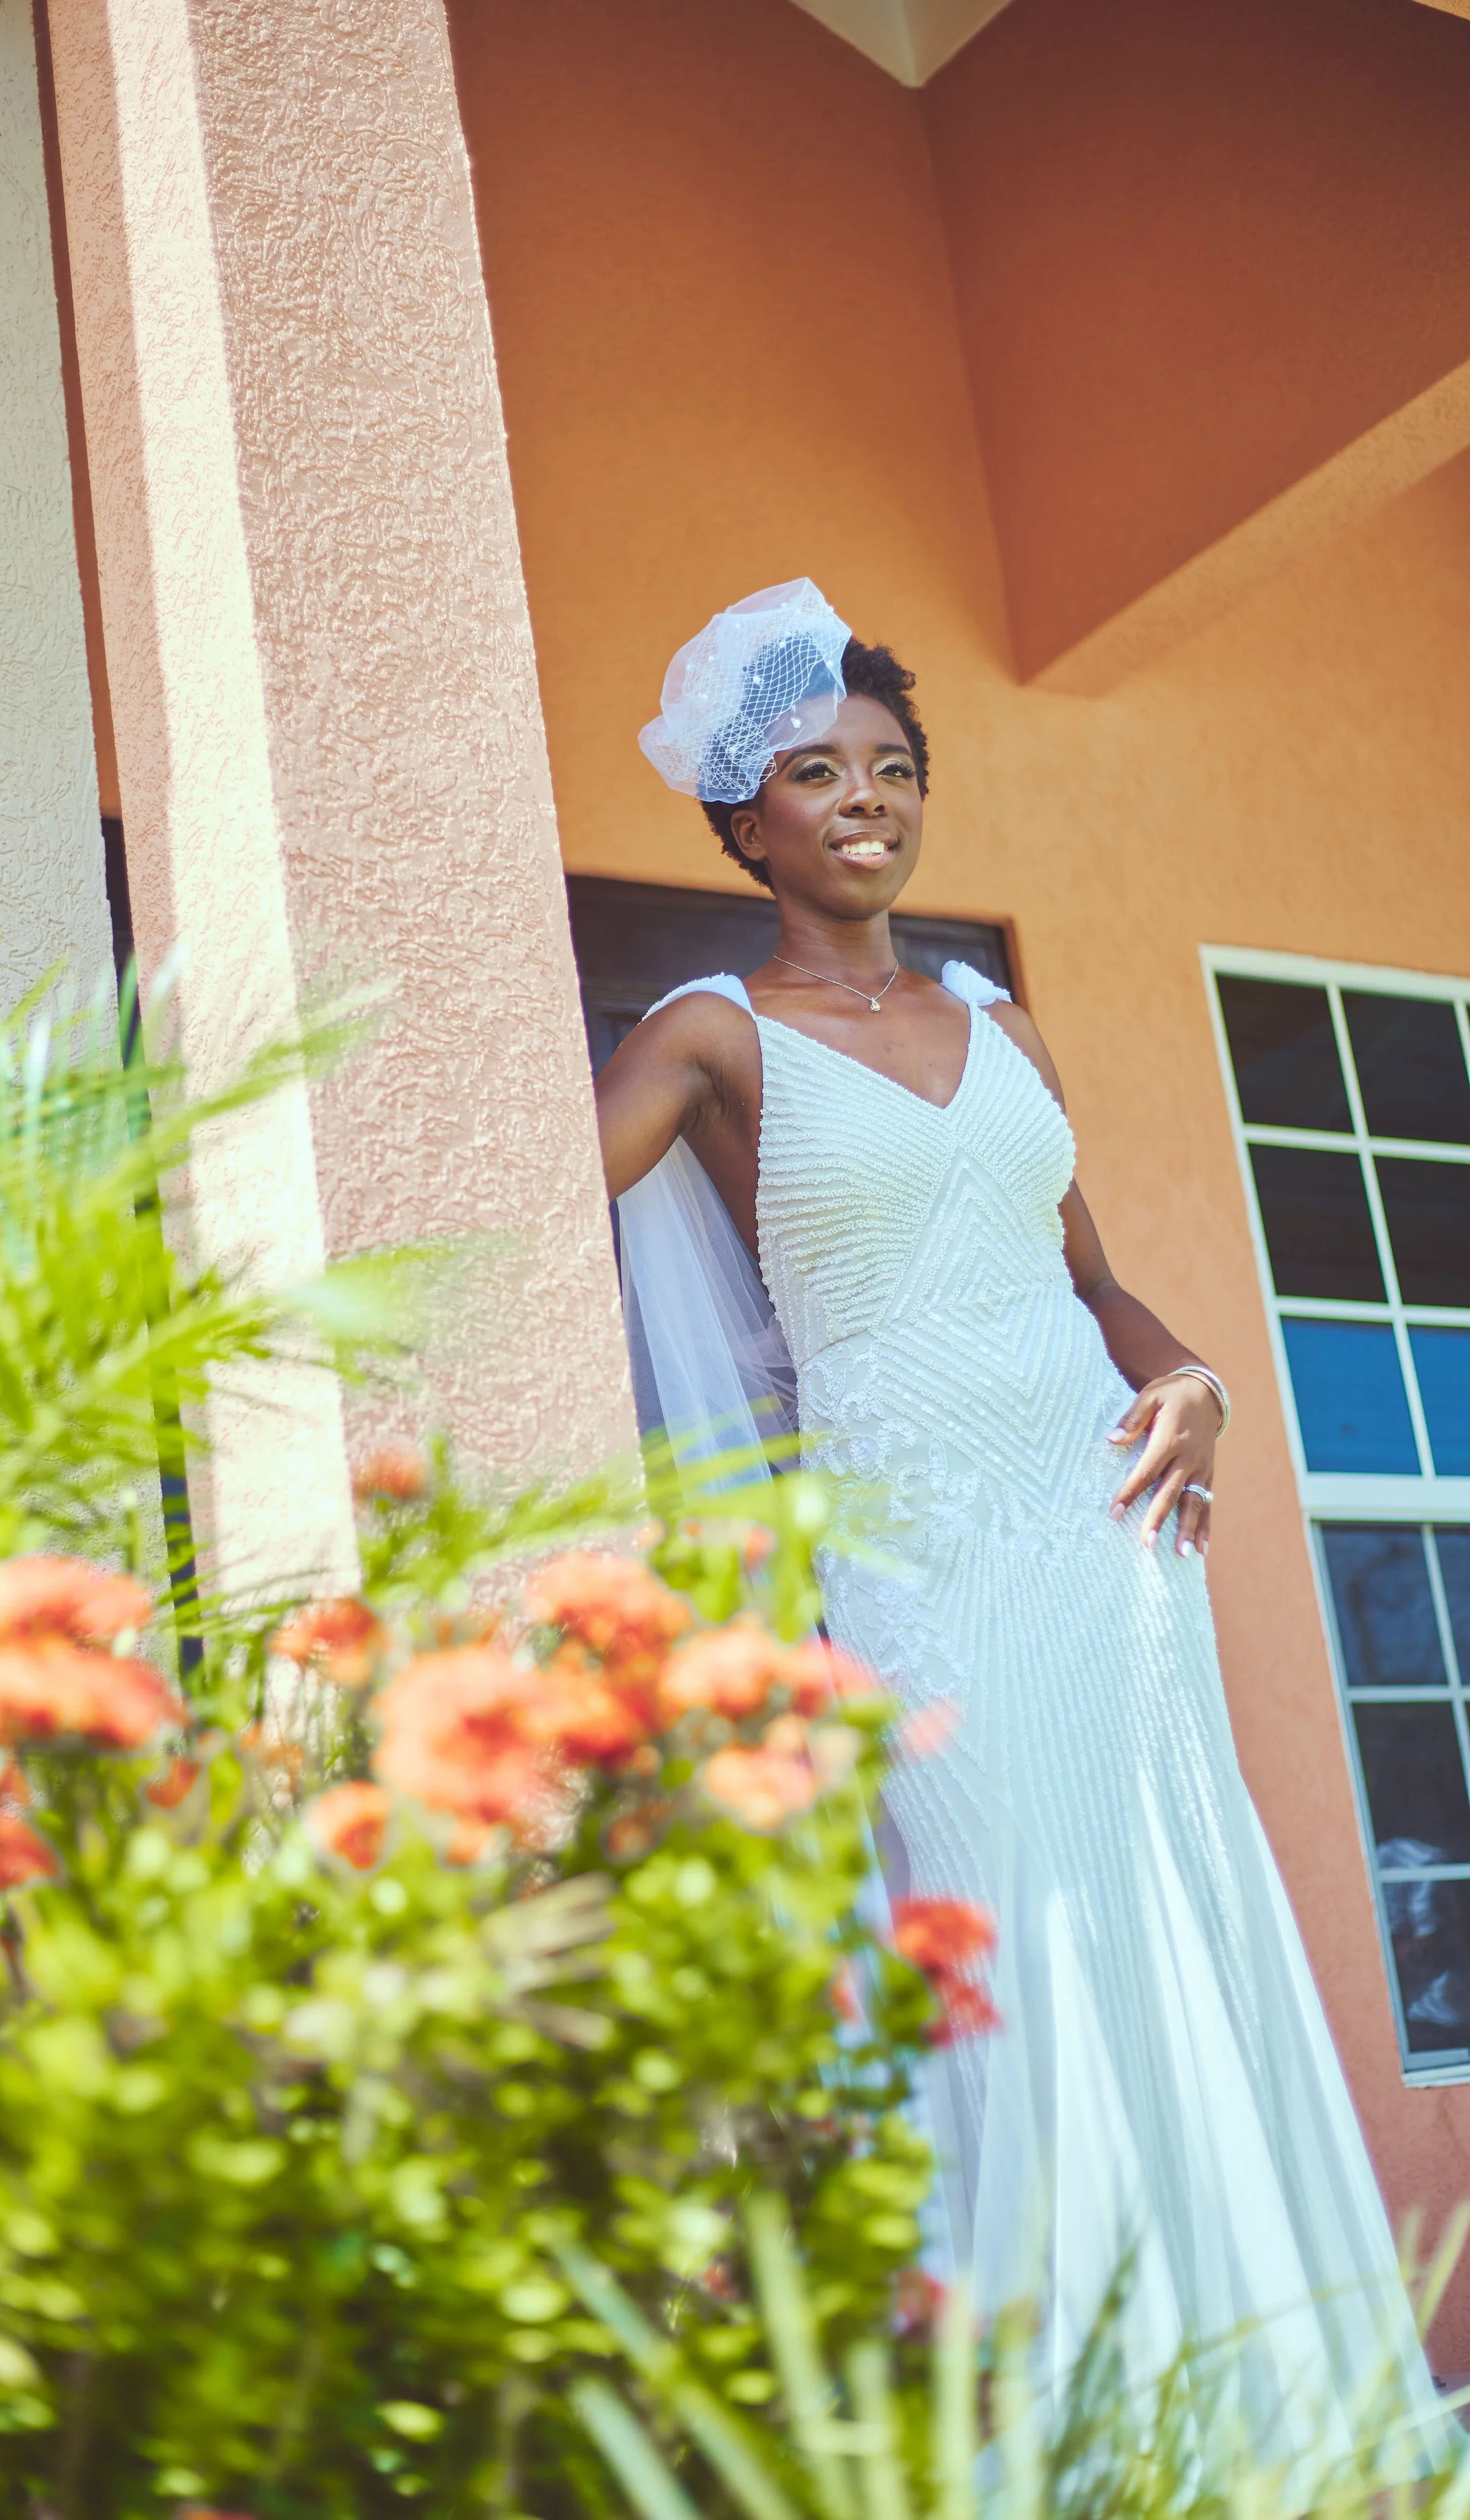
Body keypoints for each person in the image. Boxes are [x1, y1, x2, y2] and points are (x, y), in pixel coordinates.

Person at [594, 581, 1441, 2455]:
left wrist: (1195, 1379)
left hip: (1100, 1526)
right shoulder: (709, 1032)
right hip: (904, 1554)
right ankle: (1044, 2427)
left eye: (890, 765)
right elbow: (527, 1179)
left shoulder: (1003, 1017)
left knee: (1158, 1897)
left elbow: (1091, 1282)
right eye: (813, 773)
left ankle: (1248, 2410)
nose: (863, 800)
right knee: (990, 1922)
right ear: (742, 822)